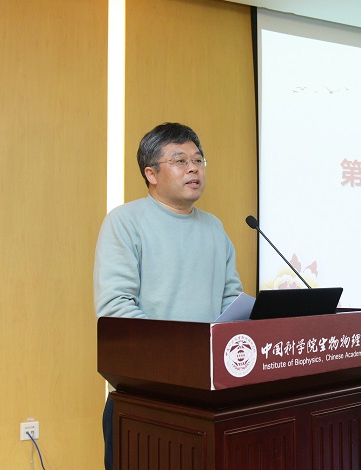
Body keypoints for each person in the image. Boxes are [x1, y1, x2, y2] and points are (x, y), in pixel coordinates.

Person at [93, 122, 243, 470]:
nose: (194, 168)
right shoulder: (125, 222)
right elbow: (116, 308)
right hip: (146, 396)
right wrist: (181, 359)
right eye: (180, 160)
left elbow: (230, 302)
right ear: (151, 174)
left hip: (208, 392)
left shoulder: (214, 227)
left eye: (198, 160)